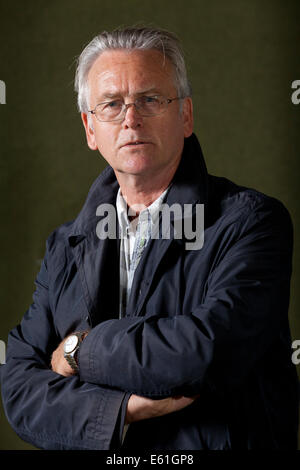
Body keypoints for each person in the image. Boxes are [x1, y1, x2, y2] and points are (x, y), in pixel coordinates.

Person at [0, 26, 299, 450]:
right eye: (111, 104)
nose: (131, 119)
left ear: (186, 115)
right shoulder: (65, 245)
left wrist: (79, 350)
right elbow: (18, 387)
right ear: (90, 128)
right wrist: (124, 411)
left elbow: (204, 352)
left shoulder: (251, 222)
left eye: (151, 99)